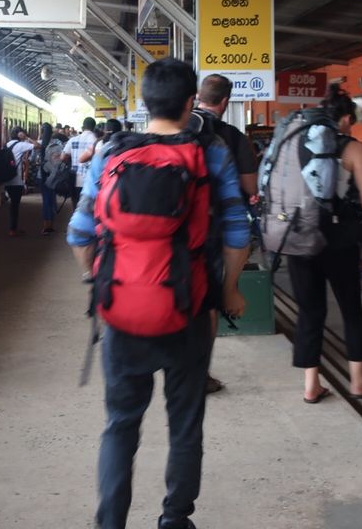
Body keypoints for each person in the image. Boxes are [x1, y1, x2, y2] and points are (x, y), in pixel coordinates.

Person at [68, 58, 251, 529]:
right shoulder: (210, 151)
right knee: (185, 424)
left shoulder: (111, 152)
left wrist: (105, 281)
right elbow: (236, 231)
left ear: (144, 103)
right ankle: (174, 519)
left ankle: (110, 522)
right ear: (192, 103)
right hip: (188, 309)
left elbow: (80, 233)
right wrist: (229, 290)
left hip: (122, 313)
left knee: (120, 425)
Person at [287, 85, 362, 403]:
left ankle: (311, 385)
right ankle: (358, 382)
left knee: (309, 311)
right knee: (350, 308)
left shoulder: (294, 142)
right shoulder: (354, 148)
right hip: (339, 240)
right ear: (346, 118)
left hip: (299, 237)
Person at [193, 74, 259, 395]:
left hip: (175, 230)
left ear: (197, 97)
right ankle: (200, 374)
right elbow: (249, 188)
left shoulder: (177, 128)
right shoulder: (232, 136)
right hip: (213, 231)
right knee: (208, 303)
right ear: (224, 102)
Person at [3, 127, 37, 236]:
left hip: (7, 179)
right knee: (15, 205)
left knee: (13, 204)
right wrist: (27, 138)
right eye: (23, 133)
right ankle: (12, 229)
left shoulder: (6, 145)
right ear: (19, 134)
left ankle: (14, 227)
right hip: (16, 181)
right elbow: (38, 146)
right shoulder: (20, 145)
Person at [62, 117, 99, 205]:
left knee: (76, 207)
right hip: (91, 181)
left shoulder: (73, 140)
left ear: (83, 127)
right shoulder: (97, 142)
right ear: (94, 127)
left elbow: (62, 157)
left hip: (75, 179)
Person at [36, 123, 63, 235]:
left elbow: (34, 159)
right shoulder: (57, 144)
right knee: (52, 200)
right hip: (53, 176)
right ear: (52, 132)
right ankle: (51, 224)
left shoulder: (39, 145)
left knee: (46, 201)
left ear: (42, 132)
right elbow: (60, 161)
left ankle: (46, 226)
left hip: (41, 176)